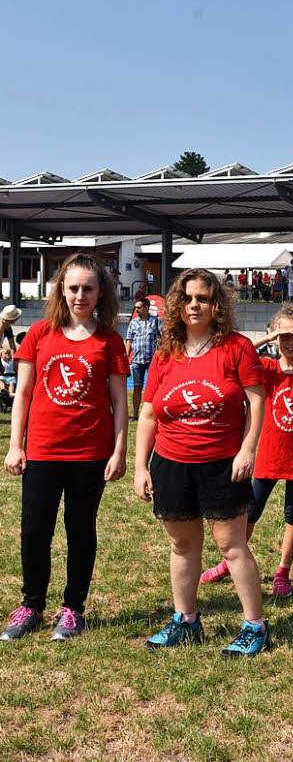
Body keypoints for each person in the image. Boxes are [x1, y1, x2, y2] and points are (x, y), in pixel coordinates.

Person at [133, 268, 270, 657]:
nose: (195, 305)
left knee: (232, 546)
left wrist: (247, 449)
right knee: (181, 545)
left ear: (216, 305)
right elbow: (147, 414)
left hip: (222, 463)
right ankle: (186, 620)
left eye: (203, 298)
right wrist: (141, 466)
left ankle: (255, 626)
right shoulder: (165, 355)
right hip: (172, 463)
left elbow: (256, 401)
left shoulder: (237, 347)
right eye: (188, 298)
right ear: (178, 304)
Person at [0, 254, 128, 643]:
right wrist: (14, 445)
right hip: (42, 449)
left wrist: (120, 449)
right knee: (35, 529)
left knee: (79, 529)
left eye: (88, 288)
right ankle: (32, 604)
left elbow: (121, 402)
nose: (80, 295)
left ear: (100, 292)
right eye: (73, 288)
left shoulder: (109, 340)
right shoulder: (39, 333)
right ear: (61, 290)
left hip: (90, 453)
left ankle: (73, 608)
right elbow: (22, 393)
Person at [201, 303, 293, 597]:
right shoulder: (267, 368)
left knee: (292, 515)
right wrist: (272, 336)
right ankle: (228, 562)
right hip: (269, 454)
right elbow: (235, 354)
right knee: (250, 513)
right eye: (285, 336)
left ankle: (283, 571)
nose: (290, 341)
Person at [125, 297, 163, 420]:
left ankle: (154, 414)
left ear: (147, 308)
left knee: (154, 389)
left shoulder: (157, 321)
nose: (137, 310)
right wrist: (126, 359)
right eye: (136, 308)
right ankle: (135, 415)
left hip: (152, 361)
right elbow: (129, 341)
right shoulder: (133, 323)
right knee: (137, 387)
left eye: (139, 308)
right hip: (137, 361)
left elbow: (164, 339)